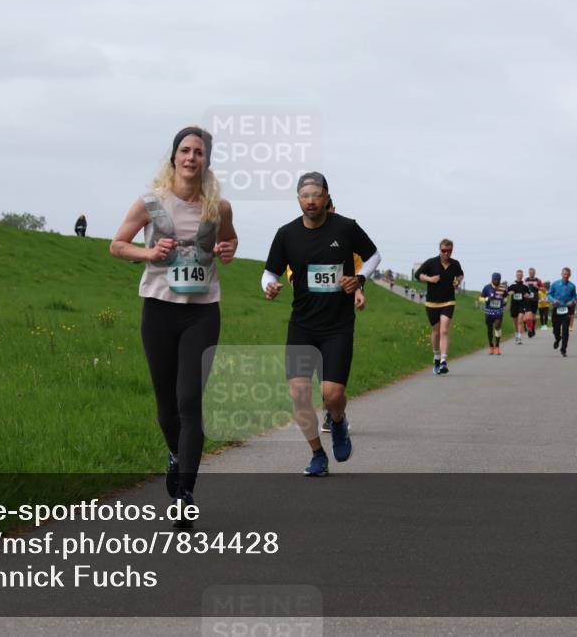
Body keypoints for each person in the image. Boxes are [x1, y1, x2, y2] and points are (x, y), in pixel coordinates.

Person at [110, 126, 238, 526]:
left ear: (207, 160)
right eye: (185, 150)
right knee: (167, 408)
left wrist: (227, 250)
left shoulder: (219, 208)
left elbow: (230, 243)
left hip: (202, 312)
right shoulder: (151, 202)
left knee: (189, 401)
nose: (191, 158)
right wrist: (149, 253)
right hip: (159, 309)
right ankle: (175, 454)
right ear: (174, 157)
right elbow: (117, 245)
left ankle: (185, 493)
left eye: (198, 152)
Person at [262, 172, 381, 476]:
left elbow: (374, 256)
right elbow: (270, 272)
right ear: (298, 200)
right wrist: (269, 286)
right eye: (305, 196)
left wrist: (360, 279)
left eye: (316, 194)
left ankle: (338, 421)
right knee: (299, 394)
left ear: (327, 197)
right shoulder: (286, 234)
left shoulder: (346, 227)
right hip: (302, 325)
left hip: (337, 326)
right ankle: (317, 454)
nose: (311, 201)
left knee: (332, 394)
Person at [414, 239, 464, 375]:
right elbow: (417, 275)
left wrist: (458, 281)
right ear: (440, 250)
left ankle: (443, 361)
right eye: (444, 250)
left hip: (448, 301)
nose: (446, 253)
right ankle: (436, 356)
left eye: (449, 251)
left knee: (444, 329)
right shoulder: (431, 262)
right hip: (432, 303)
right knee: (436, 331)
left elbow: (460, 274)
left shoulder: (455, 264)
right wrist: (430, 279)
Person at [545, 267, 577, 357]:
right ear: (561, 274)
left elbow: (574, 297)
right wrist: (553, 300)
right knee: (555, 330)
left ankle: (563, 349)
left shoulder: (572, 286)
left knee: (565, 331)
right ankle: (557, 338)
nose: (565, 276)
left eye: (567, 274)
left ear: (570, 275)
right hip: (556, 308)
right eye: (564, 274)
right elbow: (549, 294)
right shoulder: (555, 284)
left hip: (566, 310)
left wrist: (571, 301)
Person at [480, 272, 508, 355]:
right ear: (492, 279)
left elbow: (505, 296)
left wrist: (505, 302)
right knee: (489, 329)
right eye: (495, 280)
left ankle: (497, 346)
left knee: (497, 327)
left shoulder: (503, 288)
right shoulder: (487, 288)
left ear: (500, 280)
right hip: (488, 312)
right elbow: (480, 298)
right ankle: (491, 346)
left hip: (498, 312)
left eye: (498, 280)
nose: (496, 282)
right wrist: (487, 299)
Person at [506, 270, 530, 345]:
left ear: (522, 276)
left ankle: (519, 337)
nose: (519, 276)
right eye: (518, 274)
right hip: (514, 305)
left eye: (520, 275)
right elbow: (506, 292)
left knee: (520, 320)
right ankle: (516, 334)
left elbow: (529, 294)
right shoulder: (512, 284)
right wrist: (509, 293)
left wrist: (527, 295)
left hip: (522, 305)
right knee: (515, 321)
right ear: (516, 275)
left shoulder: (525, 285)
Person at [523, 268, 542, 338]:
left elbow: (543, 289)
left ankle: (533, 328)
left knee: (533, 317)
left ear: (535, 273)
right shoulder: (526, 280)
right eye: (530, 273)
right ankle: (529, 330)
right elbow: (523, 288)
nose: (531, 274)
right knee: (528, 316)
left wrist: (537, 287)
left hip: (535, 300)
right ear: (529, 273)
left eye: (532, 273)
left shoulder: (538, 280)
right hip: (528, 300)